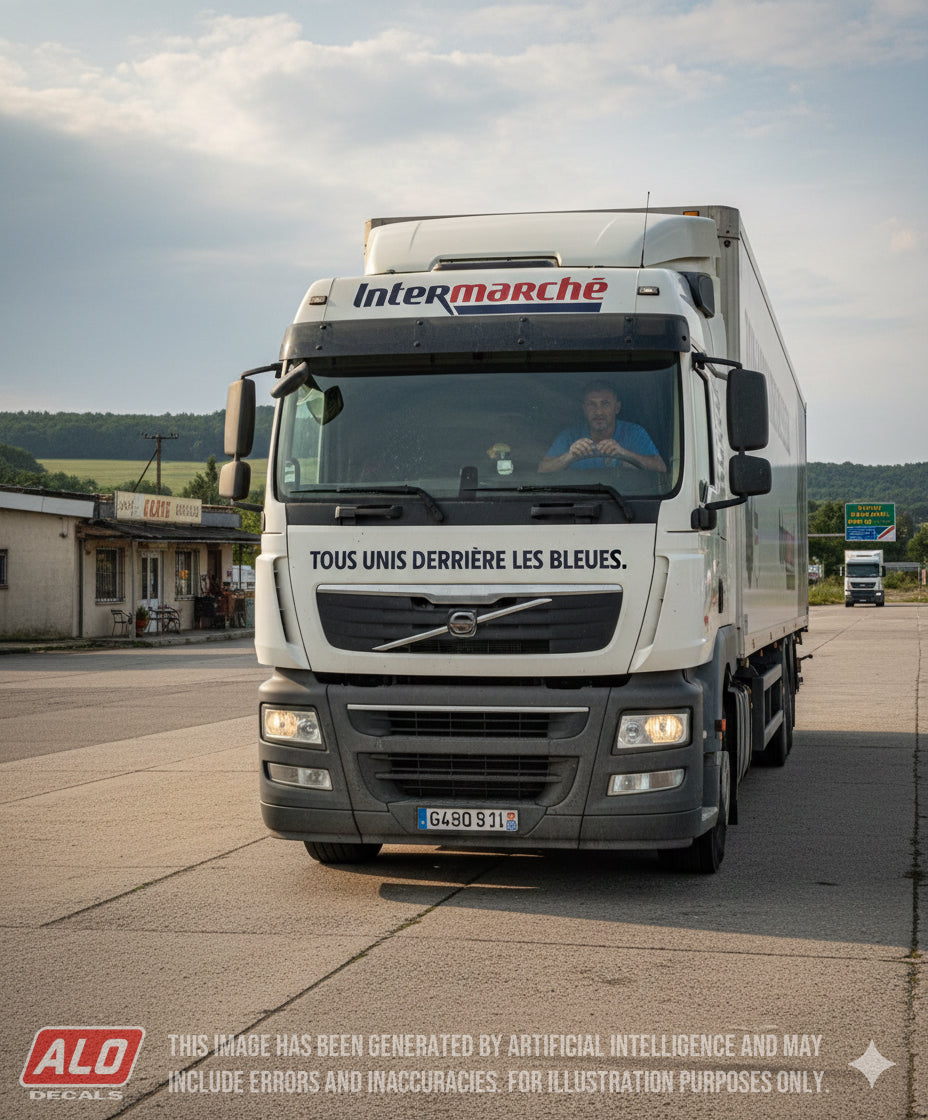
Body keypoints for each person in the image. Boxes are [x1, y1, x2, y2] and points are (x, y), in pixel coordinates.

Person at [538, 381, 666, 474]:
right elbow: (542, 470)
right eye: (591, 404)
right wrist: (570, 456)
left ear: (617, 408)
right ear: (584, 409)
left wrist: (624, 454)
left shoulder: (634, 433)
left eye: (605, 404)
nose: (598, 412)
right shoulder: (570, 436)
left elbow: (661, 468)